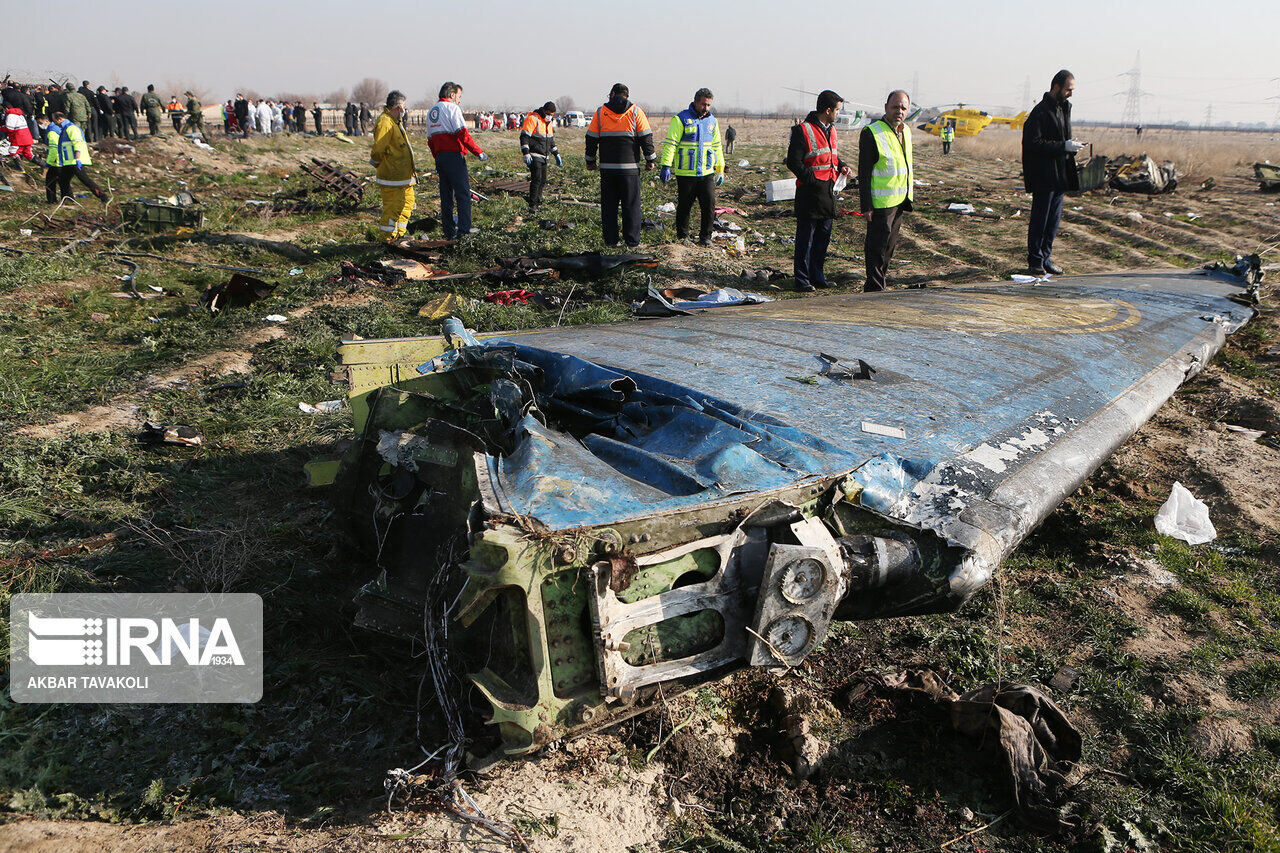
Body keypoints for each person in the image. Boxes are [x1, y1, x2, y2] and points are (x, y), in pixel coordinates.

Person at [786, 90, 852, 292]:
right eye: (838, 110)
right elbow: (793, 162)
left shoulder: (832, 130)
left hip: (829, 192)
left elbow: (830, 155)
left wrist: (842, 166)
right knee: (806, 239)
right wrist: (811, 181)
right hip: (810, 193)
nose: (838, 114)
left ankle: (817, 276)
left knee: (823, 237)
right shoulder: (802, 130)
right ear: (828, 110)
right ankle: (802, 280)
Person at [1022, 70, 1082, 277]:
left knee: (1053, 221)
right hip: (1044, 175)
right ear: (1056, 87)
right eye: (1068, 89)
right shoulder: (1040, 112)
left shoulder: (1064, 109)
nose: (1070, 94)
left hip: (1060, 175)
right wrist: (1063, 146)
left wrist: (1070, 147)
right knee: (1040, 219)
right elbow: (1033, 143)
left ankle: (1046, 258)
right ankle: (1035, 261)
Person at [585, 83, 655, 248]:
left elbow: (591, 138)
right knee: (631, 206)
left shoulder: (601, 113)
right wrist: (650, 159)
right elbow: (646, 137)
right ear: (627, 95)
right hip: (629, 170)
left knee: (609, 207)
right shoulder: (636, 112)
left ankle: (611, 241)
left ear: (612, 94)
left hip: (607, 170)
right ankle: (632, 241)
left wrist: (590, 161)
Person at [859, 90, 914, 292]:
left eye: (903, 108)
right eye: (895, 106)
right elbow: (864, 173)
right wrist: (866, 206)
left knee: (888, 249)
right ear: (885, 108)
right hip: (880, 203)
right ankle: (873, 289)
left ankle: (880, 285)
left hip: (899, 200)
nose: (899, 111)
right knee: (876, 248)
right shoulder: (871, 133)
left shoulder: (906, 131)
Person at [659, 88, 725, 246]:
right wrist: (666, 165)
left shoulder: (712, 121)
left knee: (709, 206)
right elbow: (671, 144)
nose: (706, 108)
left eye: (709, 105)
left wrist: (720, 169)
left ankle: (706, 237)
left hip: (706, 172)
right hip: (686, 173)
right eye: (703, 104)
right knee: (684, 206)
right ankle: (683, 237)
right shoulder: (680, 119)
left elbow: (717, 147)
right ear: (695, 102)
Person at [427, 81, 487, 239]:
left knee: (446, 195)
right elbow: (462, 134)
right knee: (463, 195)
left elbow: (430, 141)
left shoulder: (432, 112)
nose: (459, 100)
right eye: (459, 96)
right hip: (454, 156)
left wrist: (437, 158)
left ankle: (448, 231)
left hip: (440, 157)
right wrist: (478, 152)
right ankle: (464, 231)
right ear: (452, 95)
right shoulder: (452, 108)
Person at [370, 90, 417, 241]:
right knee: (392, 209)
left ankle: (399, 235)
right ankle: (387, 240)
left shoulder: (394, 122)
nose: (405, 111)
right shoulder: (385, 122)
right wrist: (379, 164)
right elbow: (378, 149)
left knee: (407, 204)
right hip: (393, 177)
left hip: (403, 177)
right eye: (404, 107)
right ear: (398, 107)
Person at [43, 112, 105, 203]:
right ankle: (68, 200)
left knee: (85, 180)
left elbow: (77, 142)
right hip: (68, 161)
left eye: (55, 121)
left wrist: (77, 157)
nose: (55, 123)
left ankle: (103, 197)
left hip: (75, 160)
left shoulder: (71, 128)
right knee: (63, 181)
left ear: (59, 119)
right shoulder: (64, 129)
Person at [519, 101, 561, 210]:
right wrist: (526, 153)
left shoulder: (548, 123)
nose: (550, 116)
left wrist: (556, 154)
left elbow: (550, 141)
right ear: (544, 110)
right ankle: (532, 205)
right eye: (549, 114)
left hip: (544, 156)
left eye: (552, 115)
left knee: (543, 180)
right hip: (534, 154)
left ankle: (538, 201)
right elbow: (524, 137)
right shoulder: (533, 119)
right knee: (536, 179)